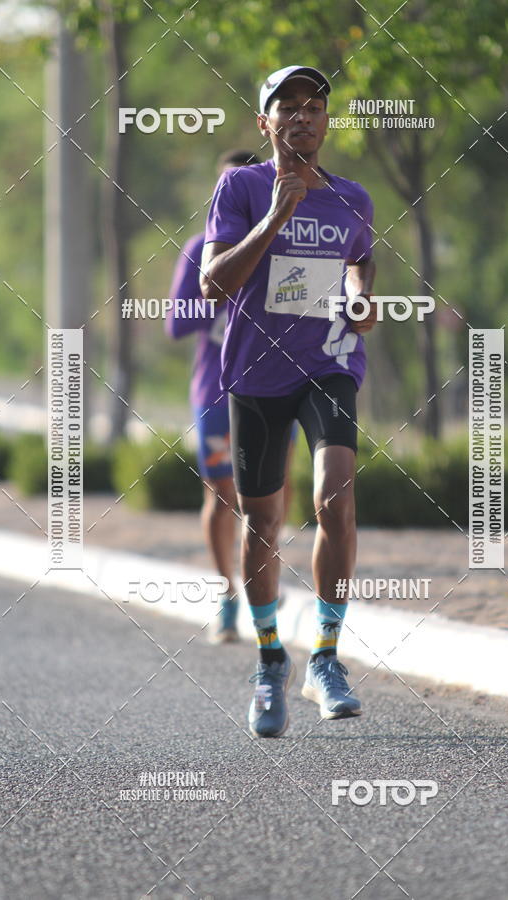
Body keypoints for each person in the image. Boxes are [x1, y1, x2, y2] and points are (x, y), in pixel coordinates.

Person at [200, 66, 376, 737]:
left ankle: (326, 659)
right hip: (254, 373)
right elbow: (214, 283)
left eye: (316, 107)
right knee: (263, 521)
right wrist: (277, 214)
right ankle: (272, 661)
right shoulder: (240, 187)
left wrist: (359, 293)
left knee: (335, 495)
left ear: (327, 122)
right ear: (264, 122)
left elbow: (365, 254)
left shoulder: (352, 197)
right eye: (289, 107)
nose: (304, 117)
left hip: (328, 363)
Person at [166, 150, 297, 644]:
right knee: (223, 495)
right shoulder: (202, 247)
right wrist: (225, 290)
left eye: (240, 188)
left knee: (271, 500)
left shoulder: (280, 243)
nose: (230, 198)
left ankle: (265, 588)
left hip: (271, 388)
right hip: (217, 393)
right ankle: (225, 594)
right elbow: (176, 322)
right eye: (223, 188)